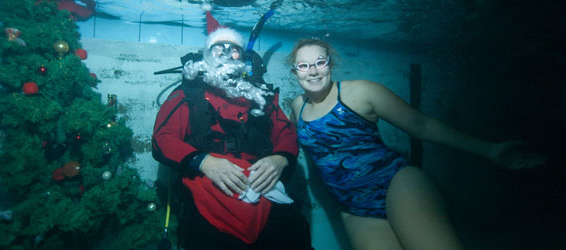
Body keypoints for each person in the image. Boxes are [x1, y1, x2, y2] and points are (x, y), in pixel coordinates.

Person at [287, 38, 546, 250]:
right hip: (354, 209)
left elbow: (422, 125)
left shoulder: (361, 91)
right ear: (295, 71)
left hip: (396, 183)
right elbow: (287, 144)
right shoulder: (297, 107)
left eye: (320, 62)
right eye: (304, 65)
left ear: (331, 64)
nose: (313, 70)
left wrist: (490, 150)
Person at [152, 28, 313, 250]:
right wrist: (205, 162)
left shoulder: (260, 95)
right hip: (207, 191)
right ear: (206, 56)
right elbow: (163, 138)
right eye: (218, 48)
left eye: (234, 49)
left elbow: (285, 132)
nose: (227, 54)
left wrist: (280, 159)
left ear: (243, 58)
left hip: (263, 187)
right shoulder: (187, 95)